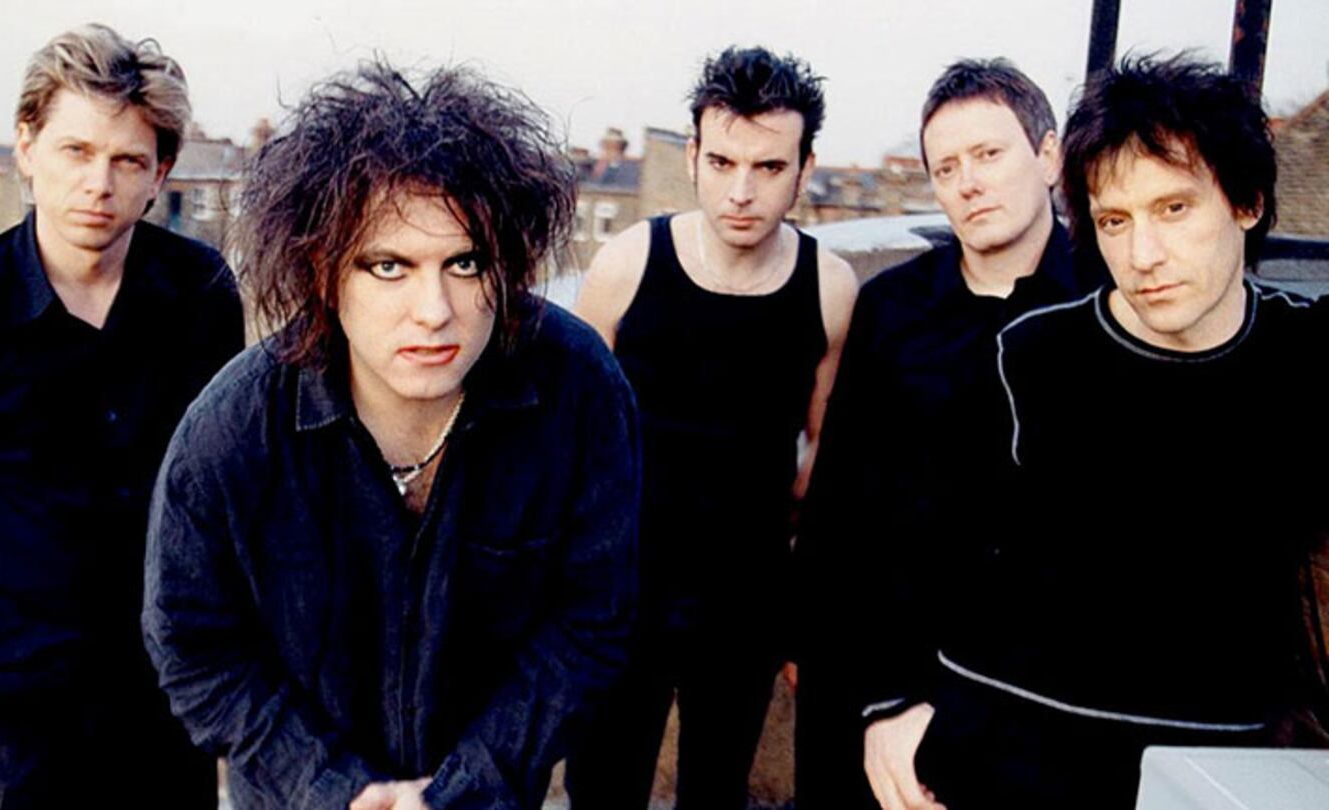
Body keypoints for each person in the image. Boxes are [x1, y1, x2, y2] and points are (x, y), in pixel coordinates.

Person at [141, 60, 639, 810]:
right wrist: (333, 790)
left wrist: (464, 788)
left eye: (465, 262)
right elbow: (193, 645)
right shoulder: (233, 432)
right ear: (323, 272)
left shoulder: (579, 390)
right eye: (388, 266)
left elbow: (592, 619)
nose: (433, 310)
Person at [912, 54, 1325, 808]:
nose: (1143, 256)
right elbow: (918, 553)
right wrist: (896, 709)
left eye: (1173, 208)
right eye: (1114, 221)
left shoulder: (1303, 358)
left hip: (1216, 765)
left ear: (1246, 202)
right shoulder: (1026, 359)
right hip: (1010, 755)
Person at [0, 24, 241, 807]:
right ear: (26, 147)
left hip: (162, 693)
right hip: (13, 703)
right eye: (75, 151)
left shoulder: (200, 293)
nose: (98, 183)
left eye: (127, 161)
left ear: (160, 173)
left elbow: (219, 479)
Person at [794, 58, 1106, 809]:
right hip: (874, 675)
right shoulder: (892, 307)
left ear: (1048, 156)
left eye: (988, 154)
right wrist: (819, 648)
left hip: (1033, 697)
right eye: (946, 167)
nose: (968, 183)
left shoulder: (1107, 304)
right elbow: (840, 499)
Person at [568, 45, 856, 809]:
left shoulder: (829, 288)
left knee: (717, 793)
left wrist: (800, 611)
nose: (741, 191)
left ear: (804, 168)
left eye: (769, 167)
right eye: (723, 162)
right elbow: (569, 442)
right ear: (693, 156)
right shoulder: (628, 263)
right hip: (622, 591)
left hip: (746, 599)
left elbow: (823, 466)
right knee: (602, 790)